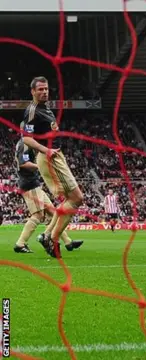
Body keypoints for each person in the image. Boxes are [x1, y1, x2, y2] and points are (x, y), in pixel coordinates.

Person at [21, 76, 85, 258]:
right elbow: (26, 138)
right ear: (32, 91)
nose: (44, 92)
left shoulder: (45, 108)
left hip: (55, 155)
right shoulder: (32, 111)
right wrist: (45, 150)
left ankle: (48, 235)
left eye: (46, 89)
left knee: (73, 199)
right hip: (49, 156)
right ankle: (51, 237)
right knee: (76, 198)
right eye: (40, 89)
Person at [13, 138, 83, 255]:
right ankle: (20, 243)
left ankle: (67, 242)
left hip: (32, 183)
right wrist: (40, 166)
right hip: (29, 184)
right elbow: (23, 163)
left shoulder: (24, 143)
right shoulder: (24, 144)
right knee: (38, 215)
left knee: (53, 212)